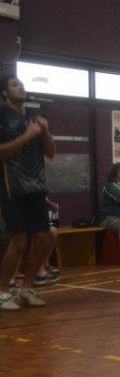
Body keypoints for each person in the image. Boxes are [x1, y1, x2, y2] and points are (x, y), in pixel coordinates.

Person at [0, 76, 57, 310]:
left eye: (22, 84)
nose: (20, 87)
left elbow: (51, 153)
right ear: (4, 93)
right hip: (12, 186)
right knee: (19, 241)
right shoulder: (2, 116)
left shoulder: (34, 118)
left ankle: (26, 288)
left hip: (36, 186)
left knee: (43, 238)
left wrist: (44, 132)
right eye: (14, 85)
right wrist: (28, 136)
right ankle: (3, 292)